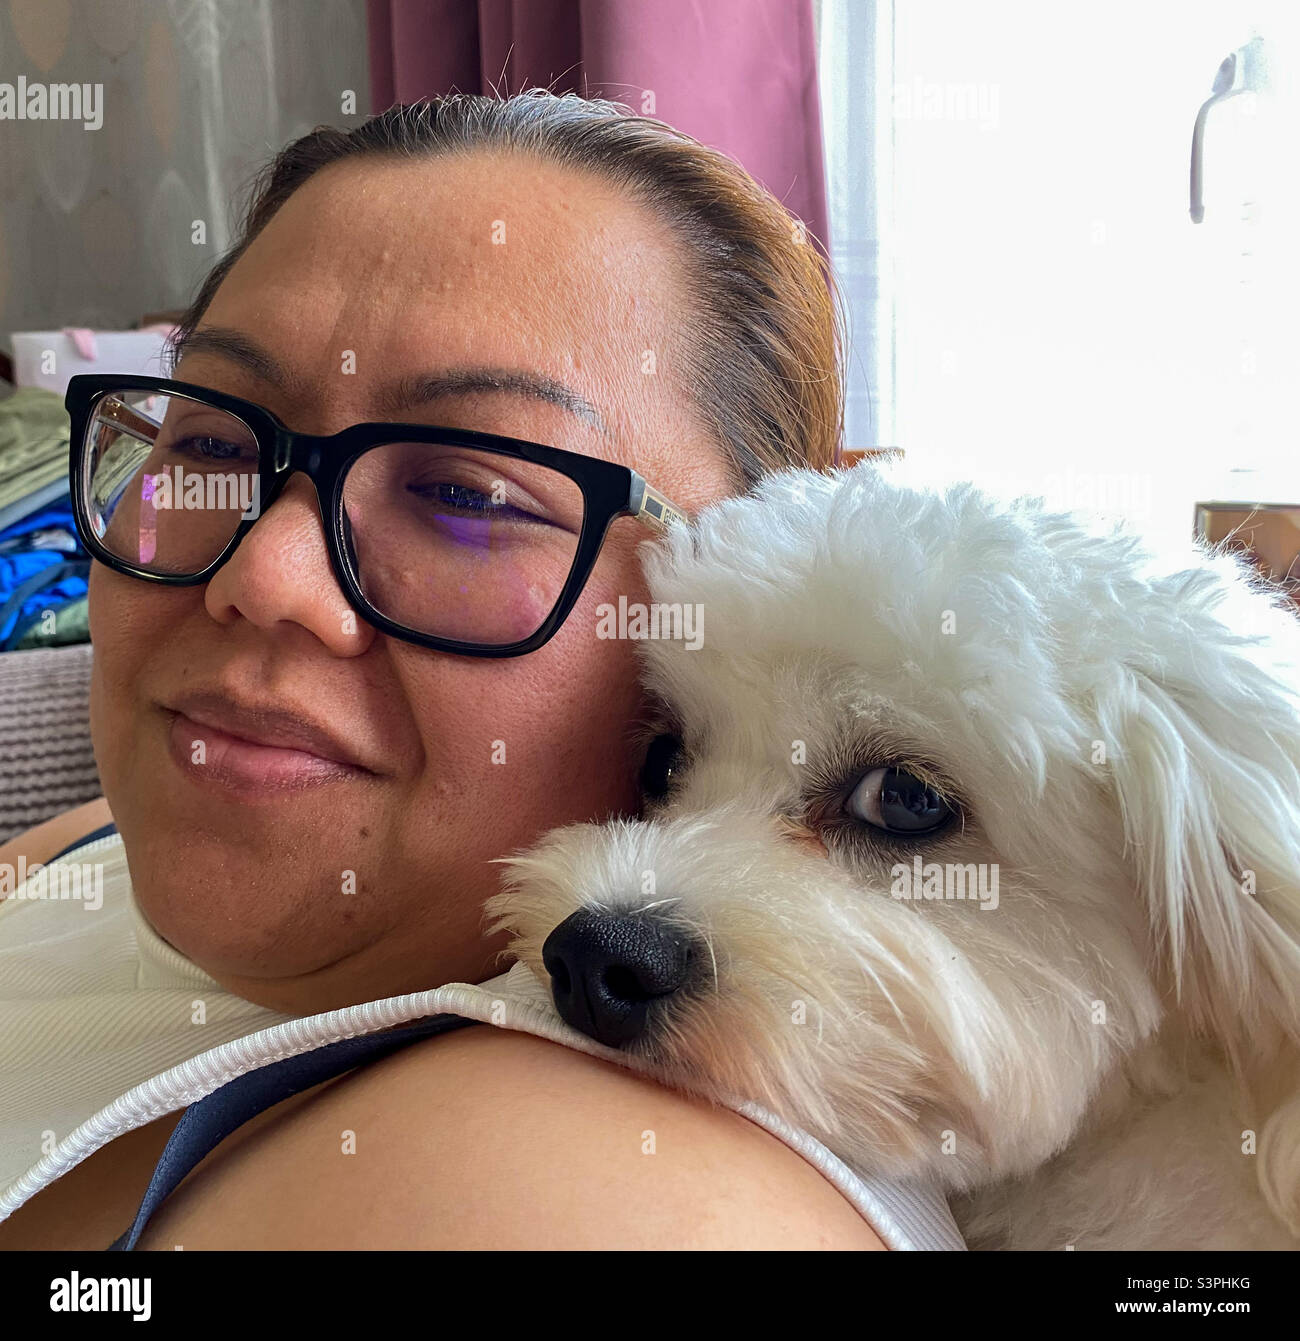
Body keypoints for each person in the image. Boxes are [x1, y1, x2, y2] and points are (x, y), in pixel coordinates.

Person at [0, 93, 961, 1250]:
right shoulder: (138, 826)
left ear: (741, 608)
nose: (264, 575)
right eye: (209, 441)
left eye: (468, 495)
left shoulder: (578, 1187)